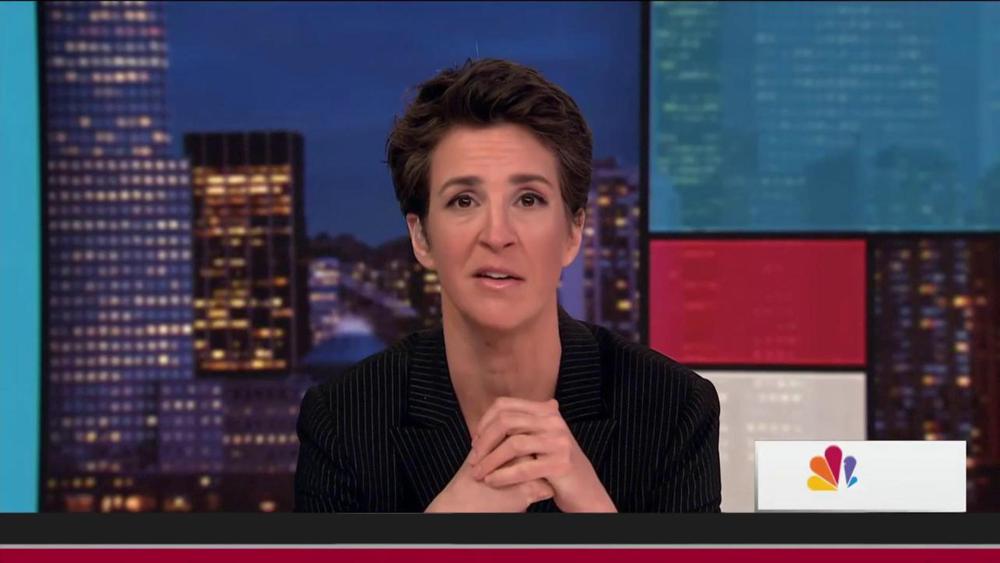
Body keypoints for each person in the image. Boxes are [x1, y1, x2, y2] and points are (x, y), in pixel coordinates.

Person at [294, 58, 721, 512]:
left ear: (573, 232)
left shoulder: (674, 409)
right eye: (464, 200)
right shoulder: (342, 422)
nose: (497, 235)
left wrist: (597, 516)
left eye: (529, 199)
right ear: (421, 238)